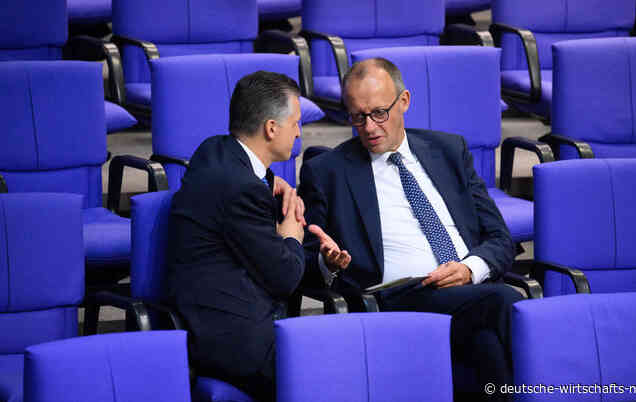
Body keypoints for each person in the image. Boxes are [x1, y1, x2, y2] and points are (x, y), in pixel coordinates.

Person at [299, 58, 522, 401]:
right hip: (395, 296)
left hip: (468, 291)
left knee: (487, 344)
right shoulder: (327, 172)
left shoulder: (449, 150)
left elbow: (499, 239)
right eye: (357, 117)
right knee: (506, 300)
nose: (369, 127)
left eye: (378, 113)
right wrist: (328, 263)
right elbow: (310, 260)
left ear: (403, 101)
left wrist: (468, 269)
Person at [165, 71, 349, 402]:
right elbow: (283, 278)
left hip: (225, 315)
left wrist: (267, 182)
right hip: (233, 338)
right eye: (295, 122)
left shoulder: (214, 151)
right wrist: (291, 236)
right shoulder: (240, 189)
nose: (299, 131)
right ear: (271, 128)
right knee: (343, 375)